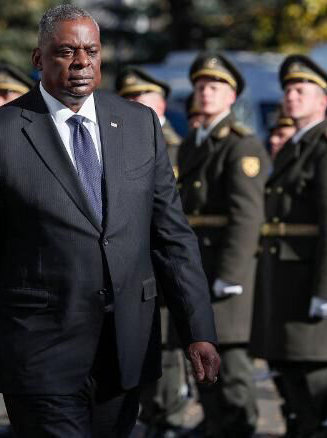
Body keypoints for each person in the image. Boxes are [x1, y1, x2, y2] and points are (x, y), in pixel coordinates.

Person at [0, 5, 220, 437]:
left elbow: (171, 237)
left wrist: (198, 329)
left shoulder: (139, 125)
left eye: (91, 52)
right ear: (38, 59)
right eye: (66, 52)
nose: (81, 63)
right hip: (39, 355)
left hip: (124, 350)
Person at [251, 54, 327, 438]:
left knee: (318, 389)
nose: (291, 96)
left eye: (301, 90)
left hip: (311, 287)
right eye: (288, 90)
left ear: (322, 100)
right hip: (286, 287)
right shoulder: (296, 147)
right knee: (294, 392)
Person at [176, 52, 269, 438]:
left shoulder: (240, 145)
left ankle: (239, 429)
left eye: (215, 86)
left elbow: (247, 215)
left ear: (232, 96)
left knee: (230, 365)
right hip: (197, 266)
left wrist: (231, 273)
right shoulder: (194, 143)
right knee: (204, 365)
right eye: (200, 85)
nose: (205, 92)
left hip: (225, 270)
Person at [115, 67, 189, 437]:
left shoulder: (176, 147)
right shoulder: (115, 141)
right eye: (128, 98)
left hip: (161, 258)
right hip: (127, 261)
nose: (134, 104)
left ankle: (168, 414)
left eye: (142, 97)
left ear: (161, 104)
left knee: (166, 343)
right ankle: (146, 414)